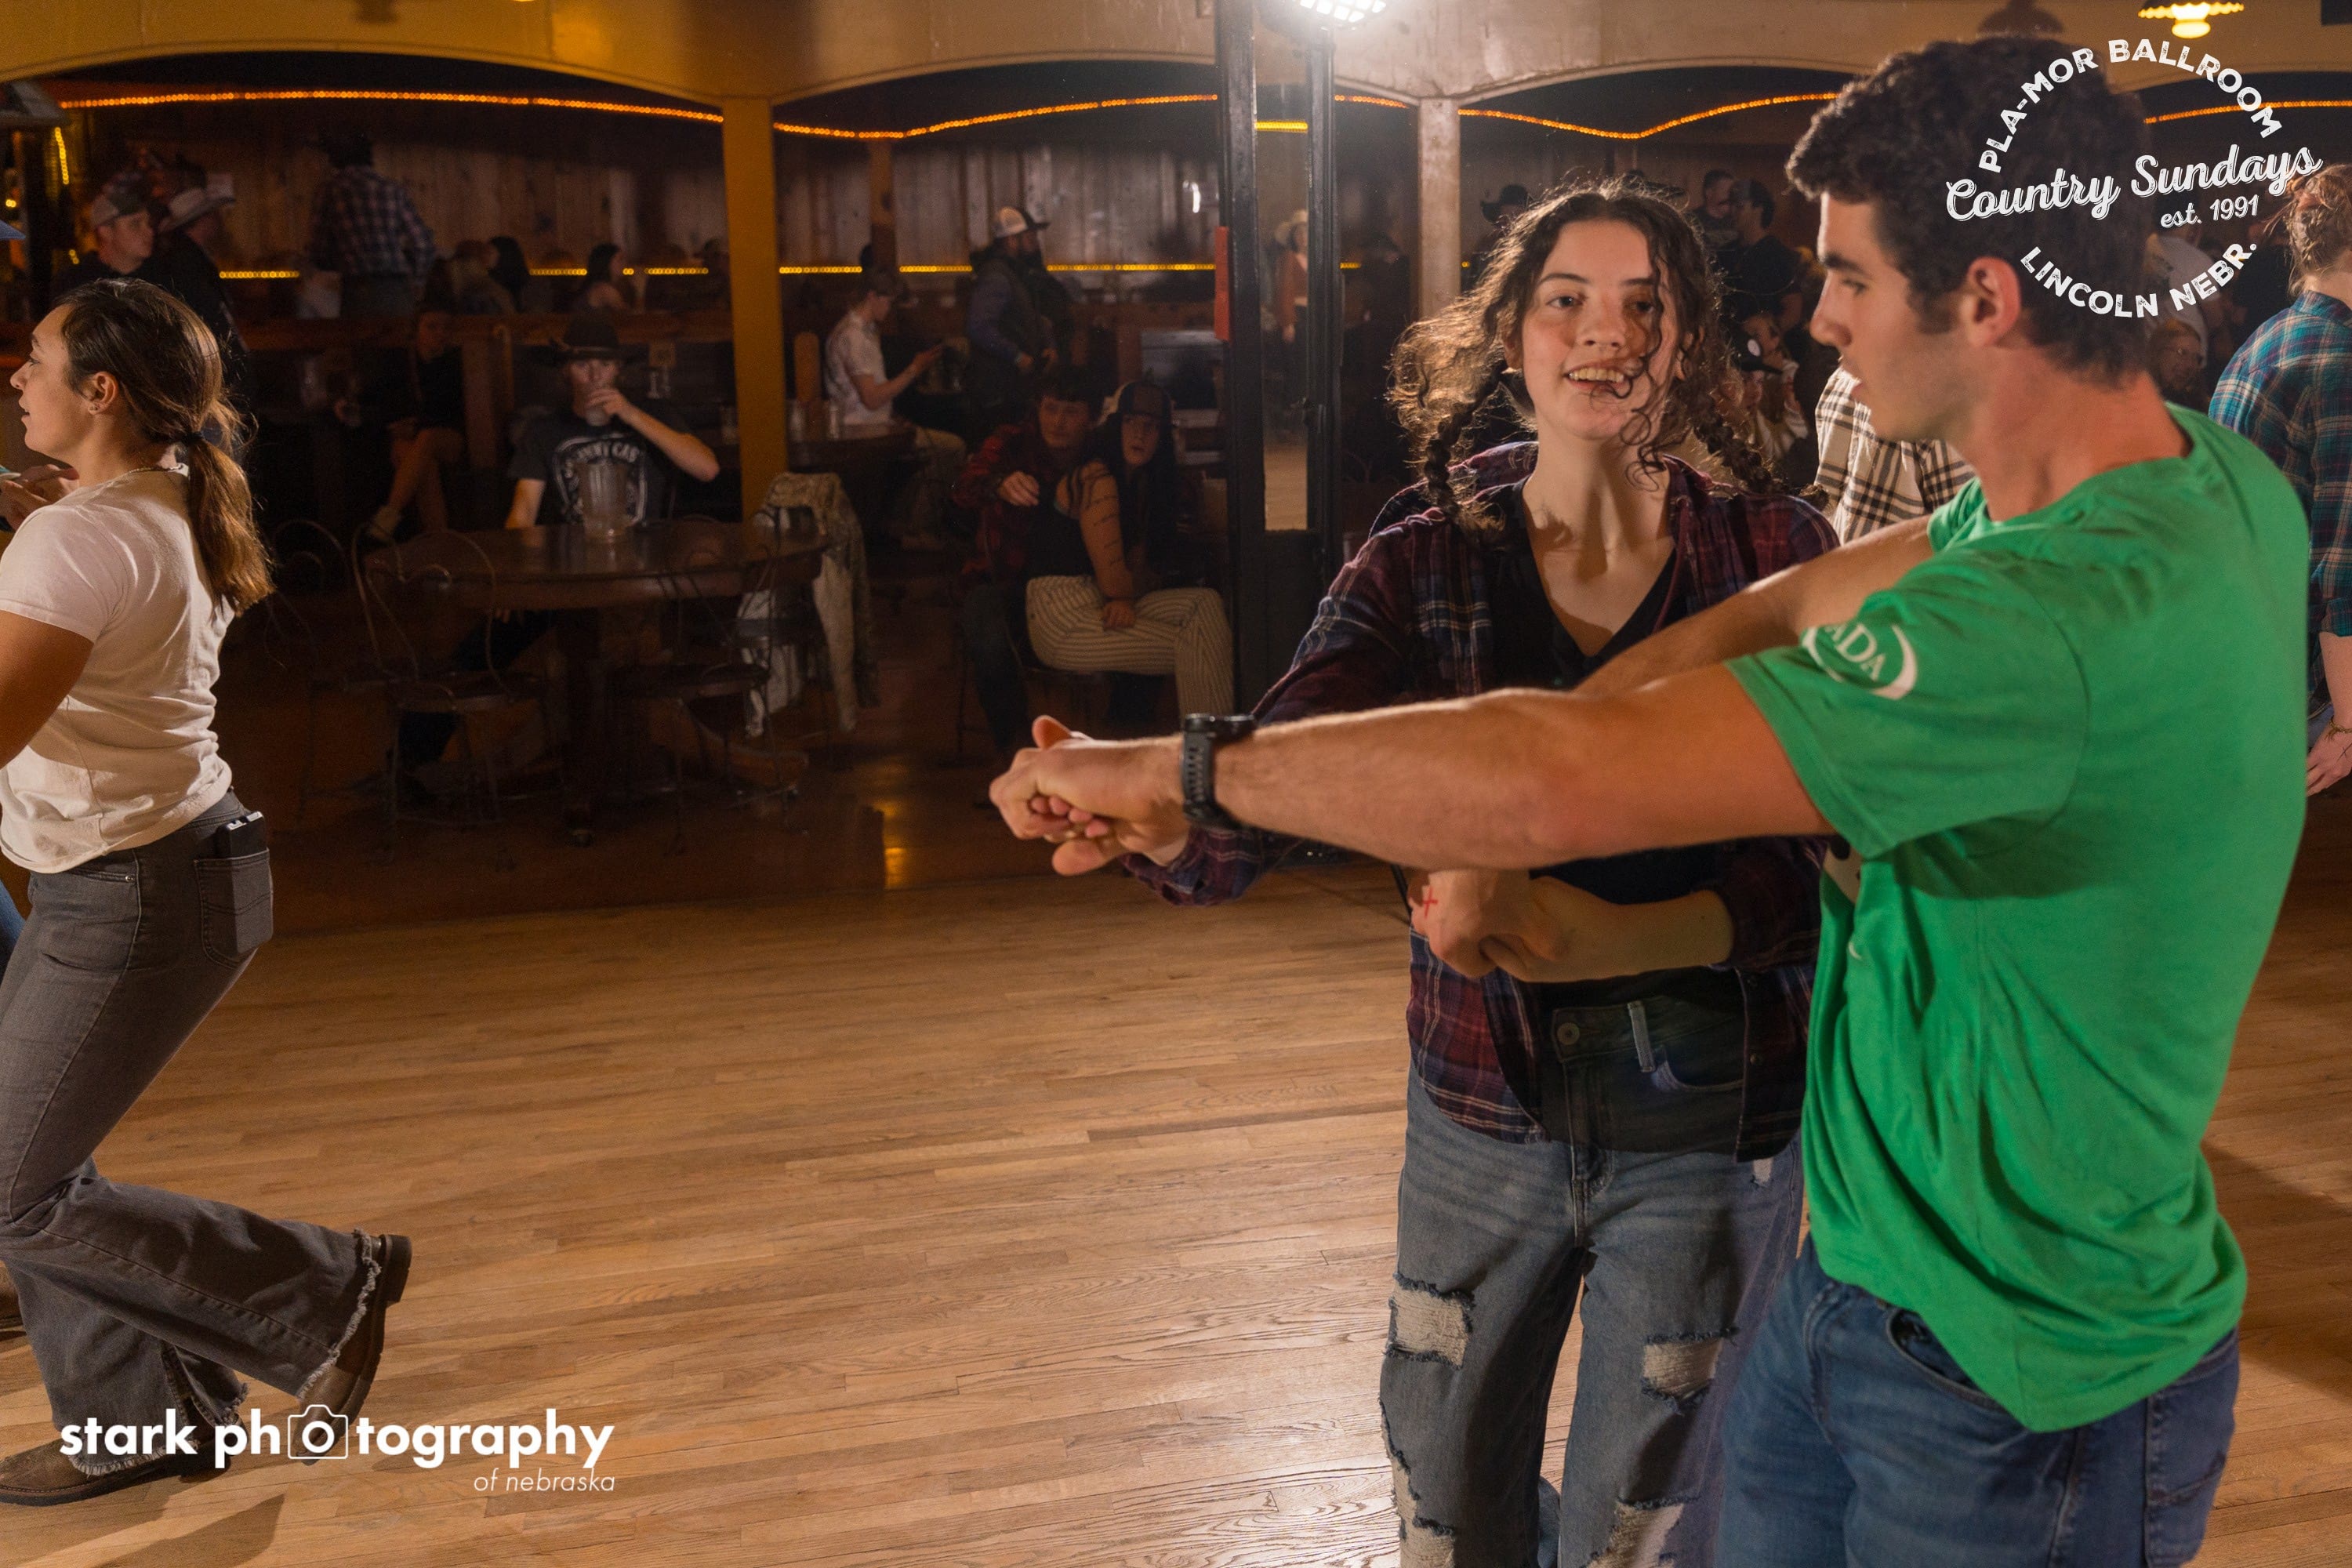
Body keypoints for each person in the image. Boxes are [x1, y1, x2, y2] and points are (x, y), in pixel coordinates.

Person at [993, 37, 2309, 1566]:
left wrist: (1182, 771)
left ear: (1988, 297)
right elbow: (1772, 618)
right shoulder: (2184, 482)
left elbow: (1557, 785)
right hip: (1858, 1279)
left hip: (2013, 1385)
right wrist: (1265, 804)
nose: (1817, 317)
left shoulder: (2039, 625)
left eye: (1849, 277)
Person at [1114, 177, 1829, 1568]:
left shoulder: (1772, 553)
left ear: (1689, 341)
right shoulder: (1426, 551)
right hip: (1482, 1115)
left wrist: (1598, 933)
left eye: (1644, 305)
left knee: (1647, 1529)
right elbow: (1298, 754)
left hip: (1713, 1128)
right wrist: (1172, 823)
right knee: (1446, 1508)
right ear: (1510, 334)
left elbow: (1828, 857)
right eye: (1567, 300)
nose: (1605, 333)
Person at [0, 278, 408, 1504]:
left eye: (36, 361)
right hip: (159, 876)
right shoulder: (163, 497)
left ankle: (320, 1290)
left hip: (135, 895)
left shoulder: (77, 539)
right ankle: (141, 1421)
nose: (17, 377)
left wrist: (33, 548)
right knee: (35, 1173)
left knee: (14, 1190)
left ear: (100, 391)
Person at [394, 315, 720, 778]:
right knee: (472, 653)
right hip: (569, 582)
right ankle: (409, 766)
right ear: (566, 371)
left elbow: (707, 468)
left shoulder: (653, 415)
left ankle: (623, 753)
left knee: (654, 641)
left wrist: (630, 414)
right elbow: (523, 511)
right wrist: (508, 580)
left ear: (618, 370)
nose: (595, 375)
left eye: (604, 365)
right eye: (583, 365)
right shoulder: (547, 431)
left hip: (646, 578)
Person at [2212, 162, 2352, 795]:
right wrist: (2348, 725)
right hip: (2291, 677)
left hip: (2232, 654)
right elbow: (2339, 567)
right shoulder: (2340, 360)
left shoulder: (2266, 339)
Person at [1024, 380, 1232, 718]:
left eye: (1151, 426)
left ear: (1162, 436)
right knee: (1199, 646)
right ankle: (1211, 747)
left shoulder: (1142, 483)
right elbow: (1116, 581)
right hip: (1062, 615)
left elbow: (1137, 575)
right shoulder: (1097, 477)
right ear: (1115, 427)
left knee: (1205, 603)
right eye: (1130, 422)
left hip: (1097, 602)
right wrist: (1123, 591)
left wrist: (1126, 591)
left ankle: (1210, 741)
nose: (1139, 434)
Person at [950, 367, 1098, 759]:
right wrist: (997, 482)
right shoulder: (1014, 441)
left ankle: (1120, 735)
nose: (1058, 421)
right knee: (988, 634)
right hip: (1005, 581)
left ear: (1091, 418)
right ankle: (1015, 749)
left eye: (1071, 411)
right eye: (1050, 409)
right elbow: (962, 486)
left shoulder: (1099, 452)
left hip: (1079, 584)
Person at [826, 270, 963, 550]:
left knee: (932, 449)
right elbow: (872, 399)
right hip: (862, 432)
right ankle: (914, 529)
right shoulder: (855, 337)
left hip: (871, 425)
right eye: (888, 301)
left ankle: (901, 526)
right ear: (872, 297)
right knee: (952, 448)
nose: (890, 309)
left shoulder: (858, 332)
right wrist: (914, 369)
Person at [140, 175, 255, 430]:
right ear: (203, 220)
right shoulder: (187, 264)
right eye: (213, 214)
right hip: (209, 376)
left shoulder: (188, 258)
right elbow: (208, 316)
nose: (219, 220)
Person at [1809, 364, 1973, 542]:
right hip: (1905, 558)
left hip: (1839, 551)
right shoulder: (1934, 395)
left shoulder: (1840, 378)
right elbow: (1967, 531)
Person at [359, 306, 467, 542]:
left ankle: (388, 516)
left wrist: (415, 427)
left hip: (451, 438)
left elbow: (453, 413)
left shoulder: (455, 362)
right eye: (432, 327)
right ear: (417, 329)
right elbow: (379, 402)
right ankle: (440, 539)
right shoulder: (402, 363)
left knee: (427, 438)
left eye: (445, 328)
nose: (440, 333)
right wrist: (395, 427)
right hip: (414, 440)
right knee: (416, 458)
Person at [309, 131, 435, 319]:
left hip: (359, 289)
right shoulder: (391, 188)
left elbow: (318, 248)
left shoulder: (330, 191)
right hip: (397, 287)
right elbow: (423, 244)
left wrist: (331, 262)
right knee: (400, 337)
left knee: (362, 337)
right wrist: (417, 282)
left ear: (333, 157)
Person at [966, 208, 1058, 438]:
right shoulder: (997, 277)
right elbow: (979, 327)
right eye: (1029, 237)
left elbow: (1032, 317)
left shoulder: (1015, 274)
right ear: (1011, 240)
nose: (1035, 242)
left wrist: (1048, 344)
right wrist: (1016, 356)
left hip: (1013, 385)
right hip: (999, 388)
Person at [1715, 179, 1802, 324]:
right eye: (1731, 206)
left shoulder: (1777, 255)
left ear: (1758, 209)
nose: (1732, 212)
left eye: (1740, 207)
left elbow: (1793, 308)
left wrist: (1768, 333)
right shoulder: (1725, 252)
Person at [52, 175, 152, 296]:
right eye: (135, 224)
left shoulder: (164, 277)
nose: (149, 232)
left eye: (148, 223)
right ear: (106, 231)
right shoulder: (76, 284)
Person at [1468, 183, 1531, 289]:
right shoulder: (1488, 247)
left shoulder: (1537, 245)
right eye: (1505, 218)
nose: (1510, 224)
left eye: (1516, 217)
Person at [1688, 169, 1737, 250]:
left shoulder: (1738, 220)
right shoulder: (1691, 221)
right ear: (1709, 193)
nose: (1730, 197)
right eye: (1726, 192)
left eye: (1733, 193)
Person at [577, 242, 632, 313]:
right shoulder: (605, 290)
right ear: (606, 262)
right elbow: (629, 316)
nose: (625, 264)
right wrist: (640, 290)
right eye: (620, 260)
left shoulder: (599, 286)